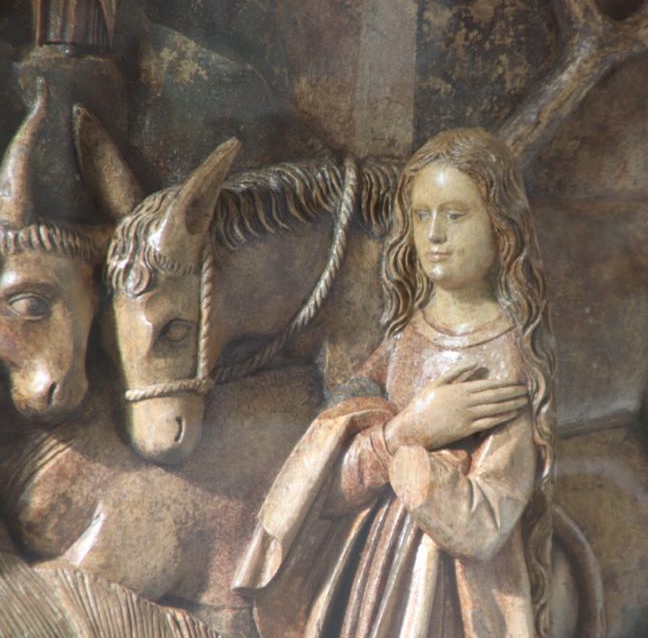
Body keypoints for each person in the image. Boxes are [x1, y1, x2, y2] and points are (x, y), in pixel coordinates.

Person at [234, 128, 557, 638]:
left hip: (454, 594)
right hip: (373, 572)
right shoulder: (401, 343)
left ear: (501, 226)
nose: (434, 235)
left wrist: (415, 471)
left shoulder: (507, 358)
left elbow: (486, 525)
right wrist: (410, 431)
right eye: (422, 215)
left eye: (455, 214)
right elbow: (330, 487)